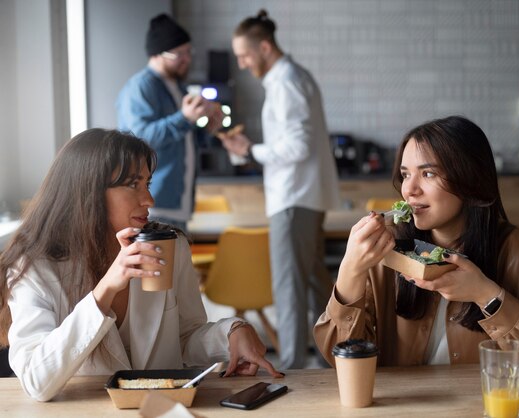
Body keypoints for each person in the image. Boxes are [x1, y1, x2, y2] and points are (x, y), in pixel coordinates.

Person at [0, 129, 281, 402]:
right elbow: (36, 382)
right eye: (133, 184)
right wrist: (105, 290)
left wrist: (231, 333)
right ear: (88, 191)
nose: (149, 200)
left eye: (147, 183)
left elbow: (184, 337)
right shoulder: (35, 267)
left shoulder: (168, 246)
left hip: (164, 411)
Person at [314, 116, 519, 373]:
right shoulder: (385, 248)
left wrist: (485, 294)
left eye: (428, 174)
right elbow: (339, 359)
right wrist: (350, 269)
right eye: (406, 175)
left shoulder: (516, 249)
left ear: (470, 179)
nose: (410, 190)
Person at [218, 10, 341, 369]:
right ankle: (330, 358)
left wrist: (249, 150)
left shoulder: (286, 81)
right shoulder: (291, 78)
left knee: (288, 290)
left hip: (293, 199)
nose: (241, 64)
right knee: (316, 284)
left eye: (244, 55)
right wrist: (250, 150)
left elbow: (298, 147)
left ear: (265, 47)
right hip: (304, 197)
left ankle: (292, 369)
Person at [117, 13, 222, 231]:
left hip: (179, 203)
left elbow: (184, 141)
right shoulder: (141, 87)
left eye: (188, 52)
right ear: (157, 54)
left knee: (177, 266)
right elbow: (140, 140)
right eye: (179, 54)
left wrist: (208, 129)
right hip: (152, 204)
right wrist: (185, 118)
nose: (187, 59)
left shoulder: (180, 88)